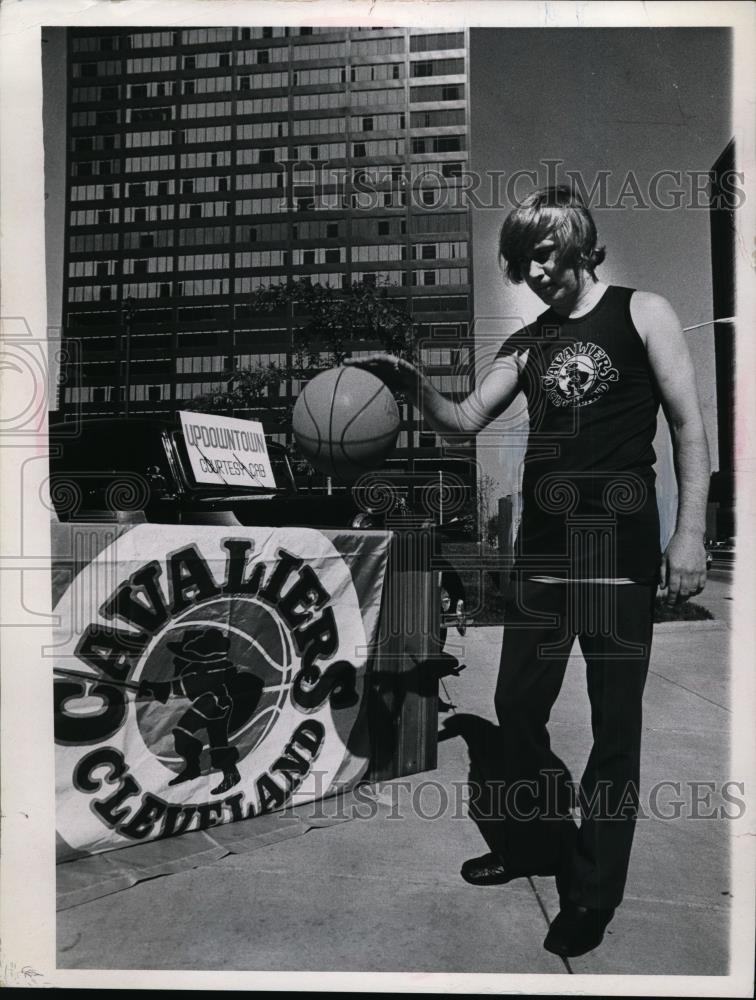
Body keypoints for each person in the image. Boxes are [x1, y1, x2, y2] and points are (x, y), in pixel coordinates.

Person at [345, 185, 709, 957]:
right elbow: (464, 420)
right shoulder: (529, 345)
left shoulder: (643, 312)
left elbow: (687, 427)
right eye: (522, 262)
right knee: (516, 711)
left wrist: (691, 534)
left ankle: (590, 890)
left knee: (615, 731)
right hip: (544, 553)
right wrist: (413, 385)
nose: (535, 272)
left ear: (578, 241)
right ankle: (534, 842)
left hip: (618, 550)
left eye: (544, 254)